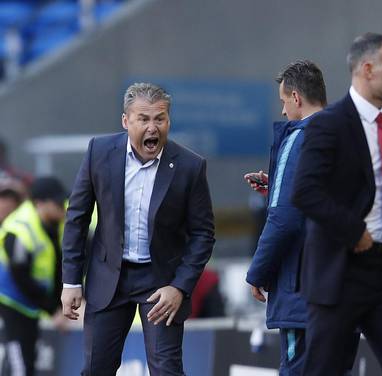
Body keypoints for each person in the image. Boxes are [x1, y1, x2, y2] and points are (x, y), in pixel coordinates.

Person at [61, 83, 215, 375]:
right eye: (143, 119)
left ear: (169, 120)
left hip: (161, 284)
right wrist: (71, 281)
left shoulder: (190, 166)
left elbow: (203, 234)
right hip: (108, 278)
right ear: (126, 121)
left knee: (166, 370)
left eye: (160, 118)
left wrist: (180, 286)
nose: (152, 127)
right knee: (95, 369)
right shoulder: (99, 152)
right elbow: (77, 217)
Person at [291, 32, 382, 376]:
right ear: (367, 69)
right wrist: (353, 231)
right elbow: (305, 192)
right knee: (323, 369)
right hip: (340, 269)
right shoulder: (328, 124)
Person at [245, 60, 328, 375]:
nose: (283, 111)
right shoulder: (345, 133)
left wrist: (258, 272)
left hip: (300, 288)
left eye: (283, 102)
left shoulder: (299, 136)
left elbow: (284, 219)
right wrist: (278, 181)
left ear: (296, 98)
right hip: (340, 284)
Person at [0, 177, 67, 376]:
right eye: (57, 203)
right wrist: (51, 309)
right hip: (12, 301)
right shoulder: (20, 228)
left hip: (31, 304)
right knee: (20, 365)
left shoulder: (55, 224)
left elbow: (57, 266)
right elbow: (20, 277)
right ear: (40, 203)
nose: (62, 207)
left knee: (25, 359)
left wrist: (58, 305)